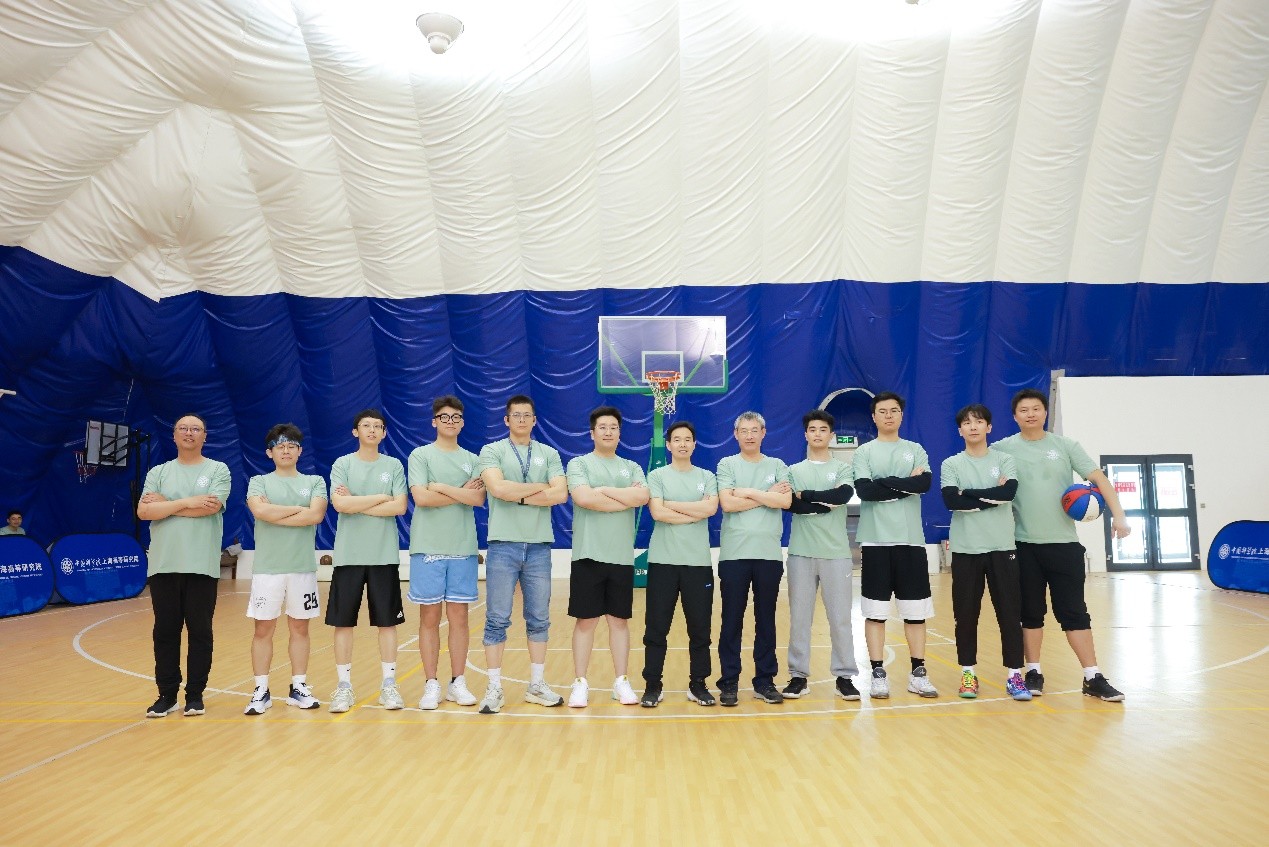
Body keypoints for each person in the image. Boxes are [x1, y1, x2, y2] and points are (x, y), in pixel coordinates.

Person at [994, 388, 1131, 702]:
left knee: (1074, 612)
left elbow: (1099, 479)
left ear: (1045, 412)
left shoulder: (1066, 446)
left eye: (1036, 408)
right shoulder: (1002, 449)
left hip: (1065, 546)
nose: (1031, 414)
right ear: (1014, 416)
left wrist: (1119, 516)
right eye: (1024, 410)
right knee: (1030, 613)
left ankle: (1092, 676)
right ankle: (1033, 671)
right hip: (1022, 545)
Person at [476, 395, 569, 714]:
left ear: (534, 420)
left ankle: (537, 685)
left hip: (539, 545)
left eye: (527, 415)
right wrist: (539, 489)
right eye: (515, 415)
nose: (521, 420)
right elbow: (498, 489)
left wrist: (517, 494)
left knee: (539, 618)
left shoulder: (549, 453)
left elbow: (560, 494)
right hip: (503, 544)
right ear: (506, 420)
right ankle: (494, 687)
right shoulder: (492, 451)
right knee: (497, 618)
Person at [137, 414, 232, 718]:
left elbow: (210, 508)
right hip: (164, 564)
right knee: (165, 631)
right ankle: (167, 695)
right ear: (174, 435)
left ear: (205, 436)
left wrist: (166, 504)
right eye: (183, 428)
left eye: (195, 429)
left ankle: (195, 695)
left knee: (200, 631)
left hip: (201, 564)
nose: (189, 433)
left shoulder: (218, 469)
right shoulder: (158, 472)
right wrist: (186, 502)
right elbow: (144, 511)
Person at [939, 404, 1030, 701]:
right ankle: (968, 673)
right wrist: (991, 495)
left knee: (1009, 614)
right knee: (966, 615)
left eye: (979, 422)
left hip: (1003, 548)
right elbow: (952, 502)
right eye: (967, 423)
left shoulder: (1004, 460)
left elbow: (1008, 493)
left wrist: (969, 493)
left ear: (989, 427)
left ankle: (1015, 675)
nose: (973, 426)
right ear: (960, 430)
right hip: (966, 550)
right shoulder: (951, 464)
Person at [852, 392, 938, 699]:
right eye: (882, 411)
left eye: (894, 411)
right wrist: (904, 484)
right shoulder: (864, 452)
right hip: (875, 541)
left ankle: (918, 673)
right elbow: (865, 491)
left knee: (915, 612)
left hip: (910, 541)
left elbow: (924, 483)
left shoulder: (915, 449)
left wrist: (884, 482)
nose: (888, 415)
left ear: (901, 415)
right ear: (873, 417)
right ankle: (878, 674)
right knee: (875, 613)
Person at [565, 406, 650, 708]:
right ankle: (580, 682)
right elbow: (583, 498)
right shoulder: (579, 464)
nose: (608, 432)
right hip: (588, 554)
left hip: (621, 557)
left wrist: (602, 492)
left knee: (619, 621)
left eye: (613, 427)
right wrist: (622, 497)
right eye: (603, 427)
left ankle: (621, 681)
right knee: (586, 621)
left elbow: (642, 497)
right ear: (592, 433)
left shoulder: (632, 466)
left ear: (620, 433)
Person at [326, 409, 408, 714]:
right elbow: (339, 504)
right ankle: (343, 687)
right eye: (366, 425)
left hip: (383, 556)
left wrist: (357, 502)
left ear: (384, 433)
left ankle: (389, 685)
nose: (372, 430)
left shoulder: (393, 465)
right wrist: (380, 497)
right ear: (355, 431)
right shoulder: (342, 464)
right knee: (343, 622)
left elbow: (400, 507)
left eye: (377, 426)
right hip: (348, 555)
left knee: (387, 623)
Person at [243, 423, 328, 715]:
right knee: (263, 629)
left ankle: (298, 686)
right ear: (270, 452)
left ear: (300, 451)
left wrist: (275, 512)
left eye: (292, 446)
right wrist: (299, 510)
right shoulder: (259, 481)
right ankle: (261, 690)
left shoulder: (314, 481)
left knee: (300, 628)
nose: (286, 450)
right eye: (280, 446)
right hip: (268, 568)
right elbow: (259, 511)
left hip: (301, 567)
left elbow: (316, 515)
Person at [407, 396, 485, 711]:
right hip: (427, 546)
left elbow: (478, 499)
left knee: (459, 617)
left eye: (455, 417)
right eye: (444, 417)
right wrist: (460, 492)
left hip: (462, 546)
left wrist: (440, 487)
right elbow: (422, 499)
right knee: (429, 617)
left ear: (462, 422)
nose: (450, 421)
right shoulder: (420, 455)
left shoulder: (473, 459)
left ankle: (457, 682)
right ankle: (431, 683)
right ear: (434, 421)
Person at [781, 410, 860, 702]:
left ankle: (844, 677)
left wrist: (807, 495)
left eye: (823, 429)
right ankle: (798, 676)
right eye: (812, 429)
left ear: (831, 435)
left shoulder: (842, 468)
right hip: (801, 553)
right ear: (806, 435)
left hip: (836, 553)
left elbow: (841, 497)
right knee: (799, 618)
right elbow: (792, 505)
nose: (817, 434)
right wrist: (821, 501)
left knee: (840, 618)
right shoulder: (792, 471)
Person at [641, 421, 719, 707]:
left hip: (697, 563)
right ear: (669, 445)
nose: (682, 444)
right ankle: (653, 684)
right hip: (663, 562)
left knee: (700, 630)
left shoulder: (707, 476)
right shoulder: (657, 475)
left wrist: (671, 504)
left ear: (694, 444)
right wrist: (694, 511)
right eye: (677, 439)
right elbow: (658, 513)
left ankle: (698, 684)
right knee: (656, 628)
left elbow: (711, 508)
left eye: (687, 439)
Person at [716, 411, 792, 706]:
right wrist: (764, 495)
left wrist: (747, 492)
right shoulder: (727, 464)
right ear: (736, 435)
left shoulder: (778, 465)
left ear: (763, 433)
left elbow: (784, 500)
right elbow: (727, 503)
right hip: (734, 554)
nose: (749, 435)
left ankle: (765, 681)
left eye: (754, 430)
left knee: (766, 619)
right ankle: (729, 681)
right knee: (731, 620)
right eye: (744, 431)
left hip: (768, 555)